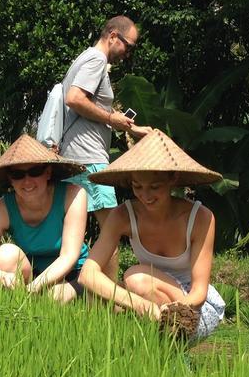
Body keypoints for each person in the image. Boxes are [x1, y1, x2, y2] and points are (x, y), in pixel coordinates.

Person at [78, 131, 226, 340]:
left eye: (154, 187)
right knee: (101, 296)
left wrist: (169, 311)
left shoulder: (200, 218)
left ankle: (171, 349)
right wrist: (140, 305)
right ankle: (155, 357)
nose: (145, 196)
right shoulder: (122, 215)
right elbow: (88, 274)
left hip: (194, 310)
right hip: (148, 300)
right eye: (137, 187)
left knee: (135, 278)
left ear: (172, 179)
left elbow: (199, 293)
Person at [59, 15, 155, 279]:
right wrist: (112, 118)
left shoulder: (85, 58)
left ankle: (83, 292)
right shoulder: (96, 60)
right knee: (111, 230)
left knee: (74, 232)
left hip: (77, 155)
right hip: (89, 158)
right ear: (113, 36)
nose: (128, 53)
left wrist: (129, 127)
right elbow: (75, 98)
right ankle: (109, 302)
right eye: (129, 45)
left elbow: (91, 106)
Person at [0, 135, 89, 302]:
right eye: (18, 174)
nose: (27, 181)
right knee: (5, 255)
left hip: (73, 272)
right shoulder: (2, 208)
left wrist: (35, 287)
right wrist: (3, 278)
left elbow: (69, 256)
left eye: (35, 171)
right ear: (11, 180)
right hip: (31, 272)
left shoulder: (73, 194)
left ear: (47, 173)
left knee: (54, 298)